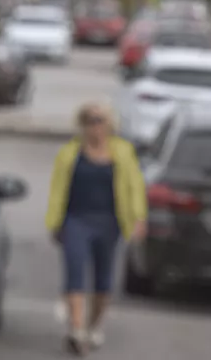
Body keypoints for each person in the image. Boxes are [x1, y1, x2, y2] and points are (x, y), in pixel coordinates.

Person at [45, 103, 147, 356]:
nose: (96, 126)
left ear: (109, 124)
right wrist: (54, 221)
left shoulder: (122, 152)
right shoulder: (70, 153)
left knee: (103, 282)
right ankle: (76, 331)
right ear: (82, 124)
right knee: (75, 273)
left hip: (109, 222)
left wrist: (139, 219)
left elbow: (135, 187)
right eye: (90, 121)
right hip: (76, 220)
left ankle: (93, 326)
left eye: (100, 121)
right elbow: (58, 189)